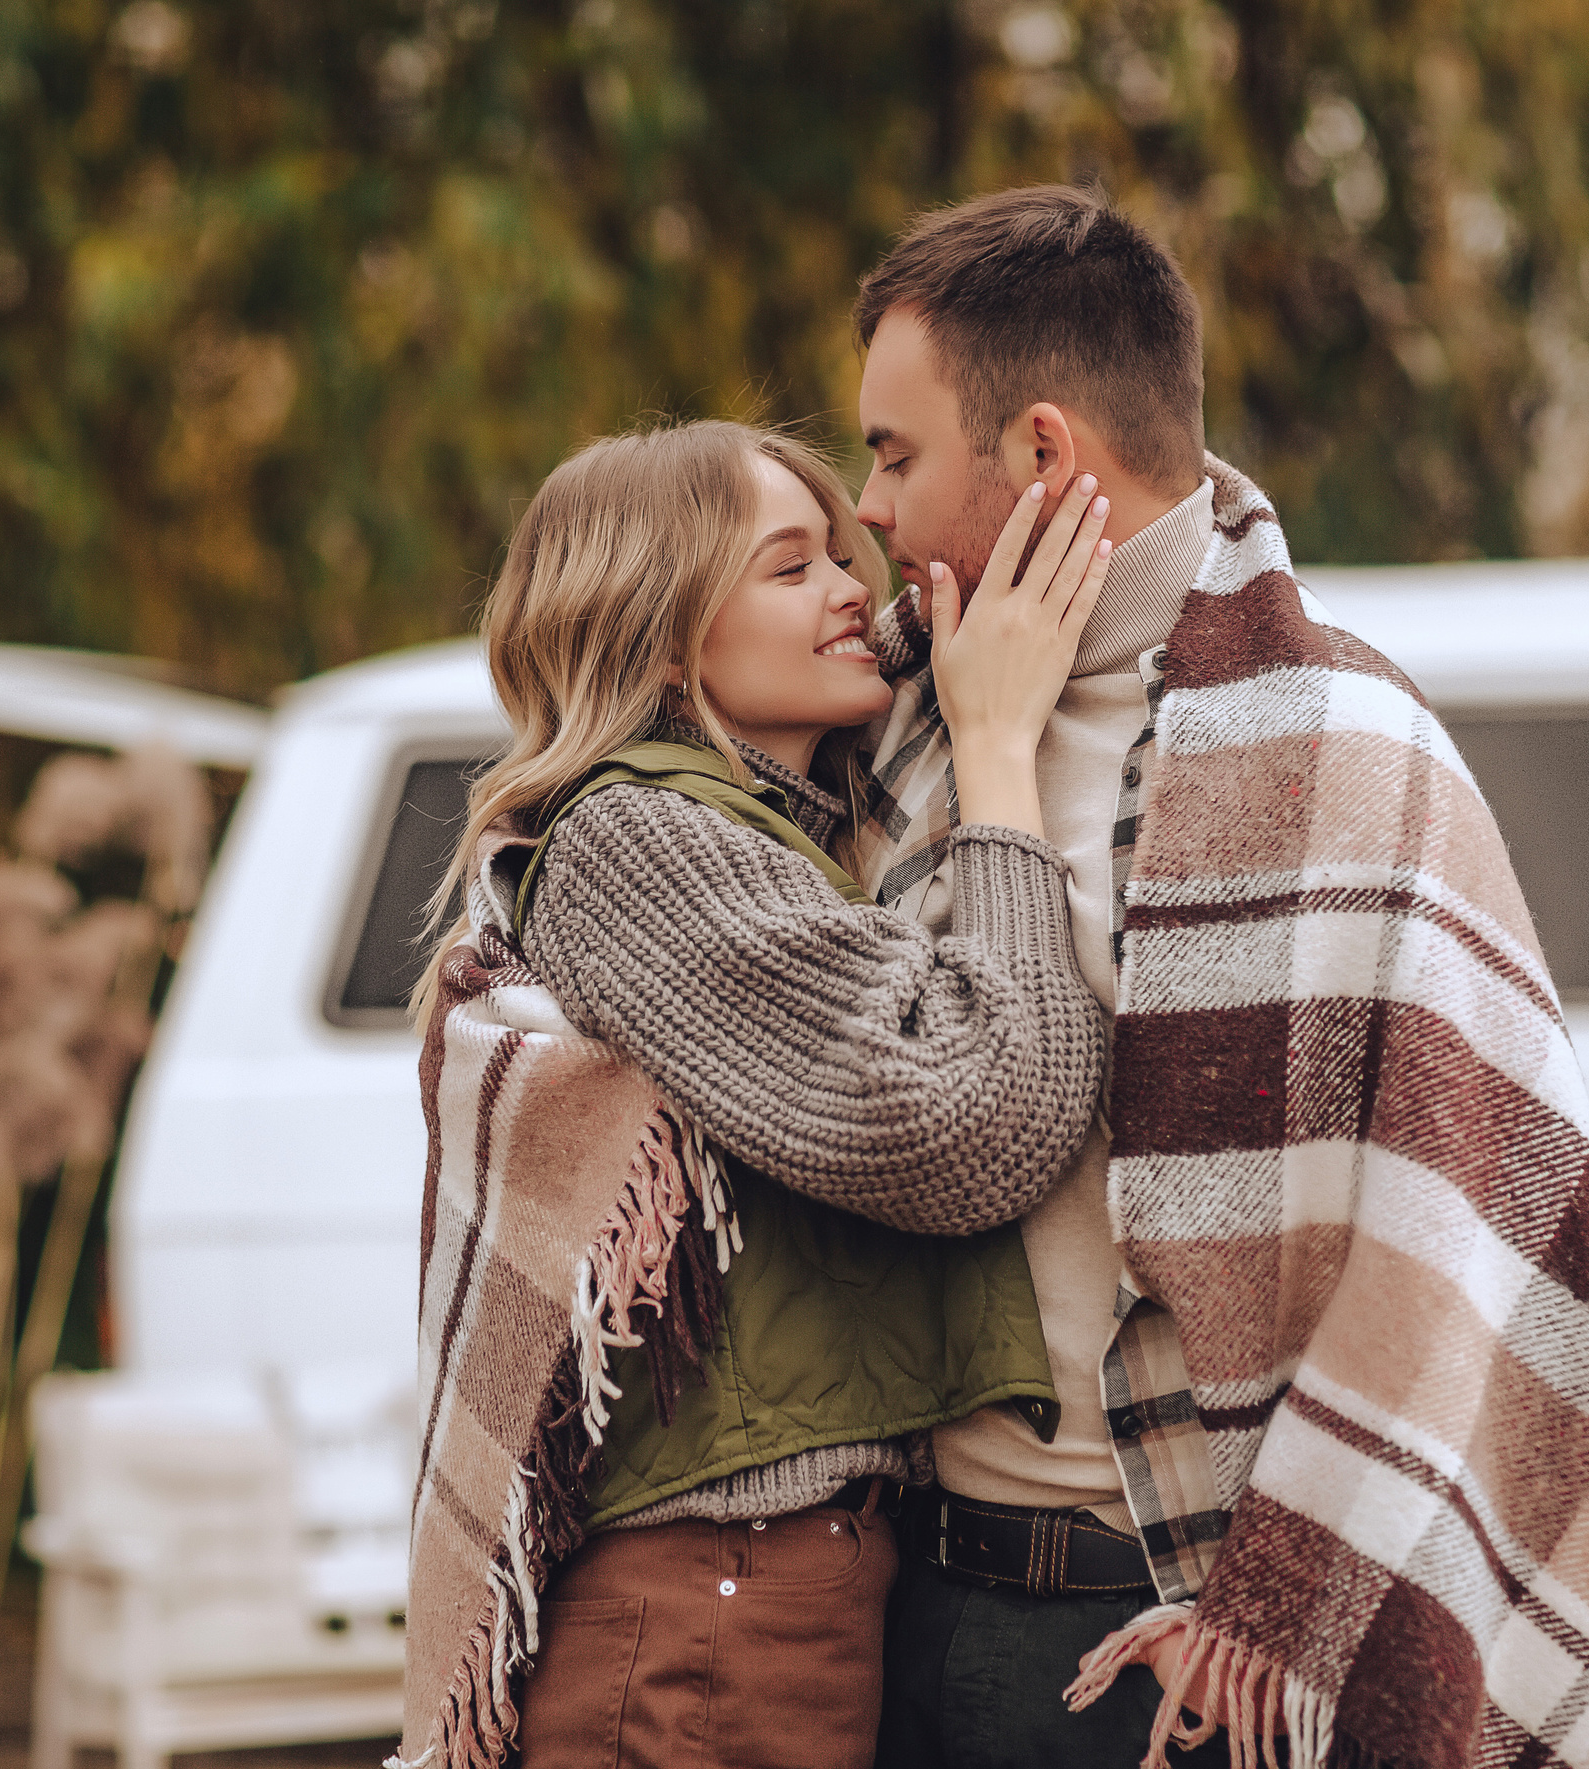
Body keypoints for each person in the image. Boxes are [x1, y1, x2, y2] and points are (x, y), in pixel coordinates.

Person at [848, 186, 1589, 1769]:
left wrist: (1276, 1610)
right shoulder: (893, 728)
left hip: (1210, 1667)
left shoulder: (1351, 746)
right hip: (923, 1616)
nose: (869, 507)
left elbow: (1459, 1223)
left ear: (1043, 453)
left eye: (894, 454)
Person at [400, 419, 1118, 1769]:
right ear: (665, 640)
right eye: (793, 569)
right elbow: (974, 1120)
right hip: (705, 1620)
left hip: (775, 1595)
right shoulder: (642, 837)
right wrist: (1003, 750)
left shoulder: (776, 830)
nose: (853, 589)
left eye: (846, 558)